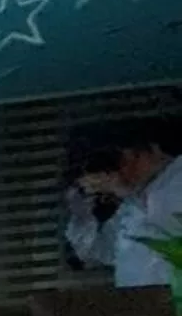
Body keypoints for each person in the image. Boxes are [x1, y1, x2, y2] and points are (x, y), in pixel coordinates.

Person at [64, 121, 182, 287]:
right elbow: (102, 253)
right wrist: (82, 216)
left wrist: (128, 194)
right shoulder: (133, 202)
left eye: (125, 159)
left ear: (152, 149)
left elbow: (170, 225)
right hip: (138, 299)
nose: (123, 170)